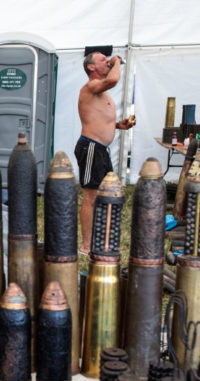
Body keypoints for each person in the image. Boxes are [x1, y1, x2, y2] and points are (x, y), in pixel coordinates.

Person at [76, 49, 135, 253]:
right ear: (91, 67)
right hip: (91, 147)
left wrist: (119, 125)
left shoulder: (101, 92)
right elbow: (113, 80)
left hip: (101, 149)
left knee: (103, 195)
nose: (108, 62)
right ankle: (86, 246)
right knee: (91, 196)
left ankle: (99, 239)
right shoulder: (92, 86)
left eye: (108, 59)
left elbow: (100, 120)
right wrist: (117, 61)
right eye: (103, 60)